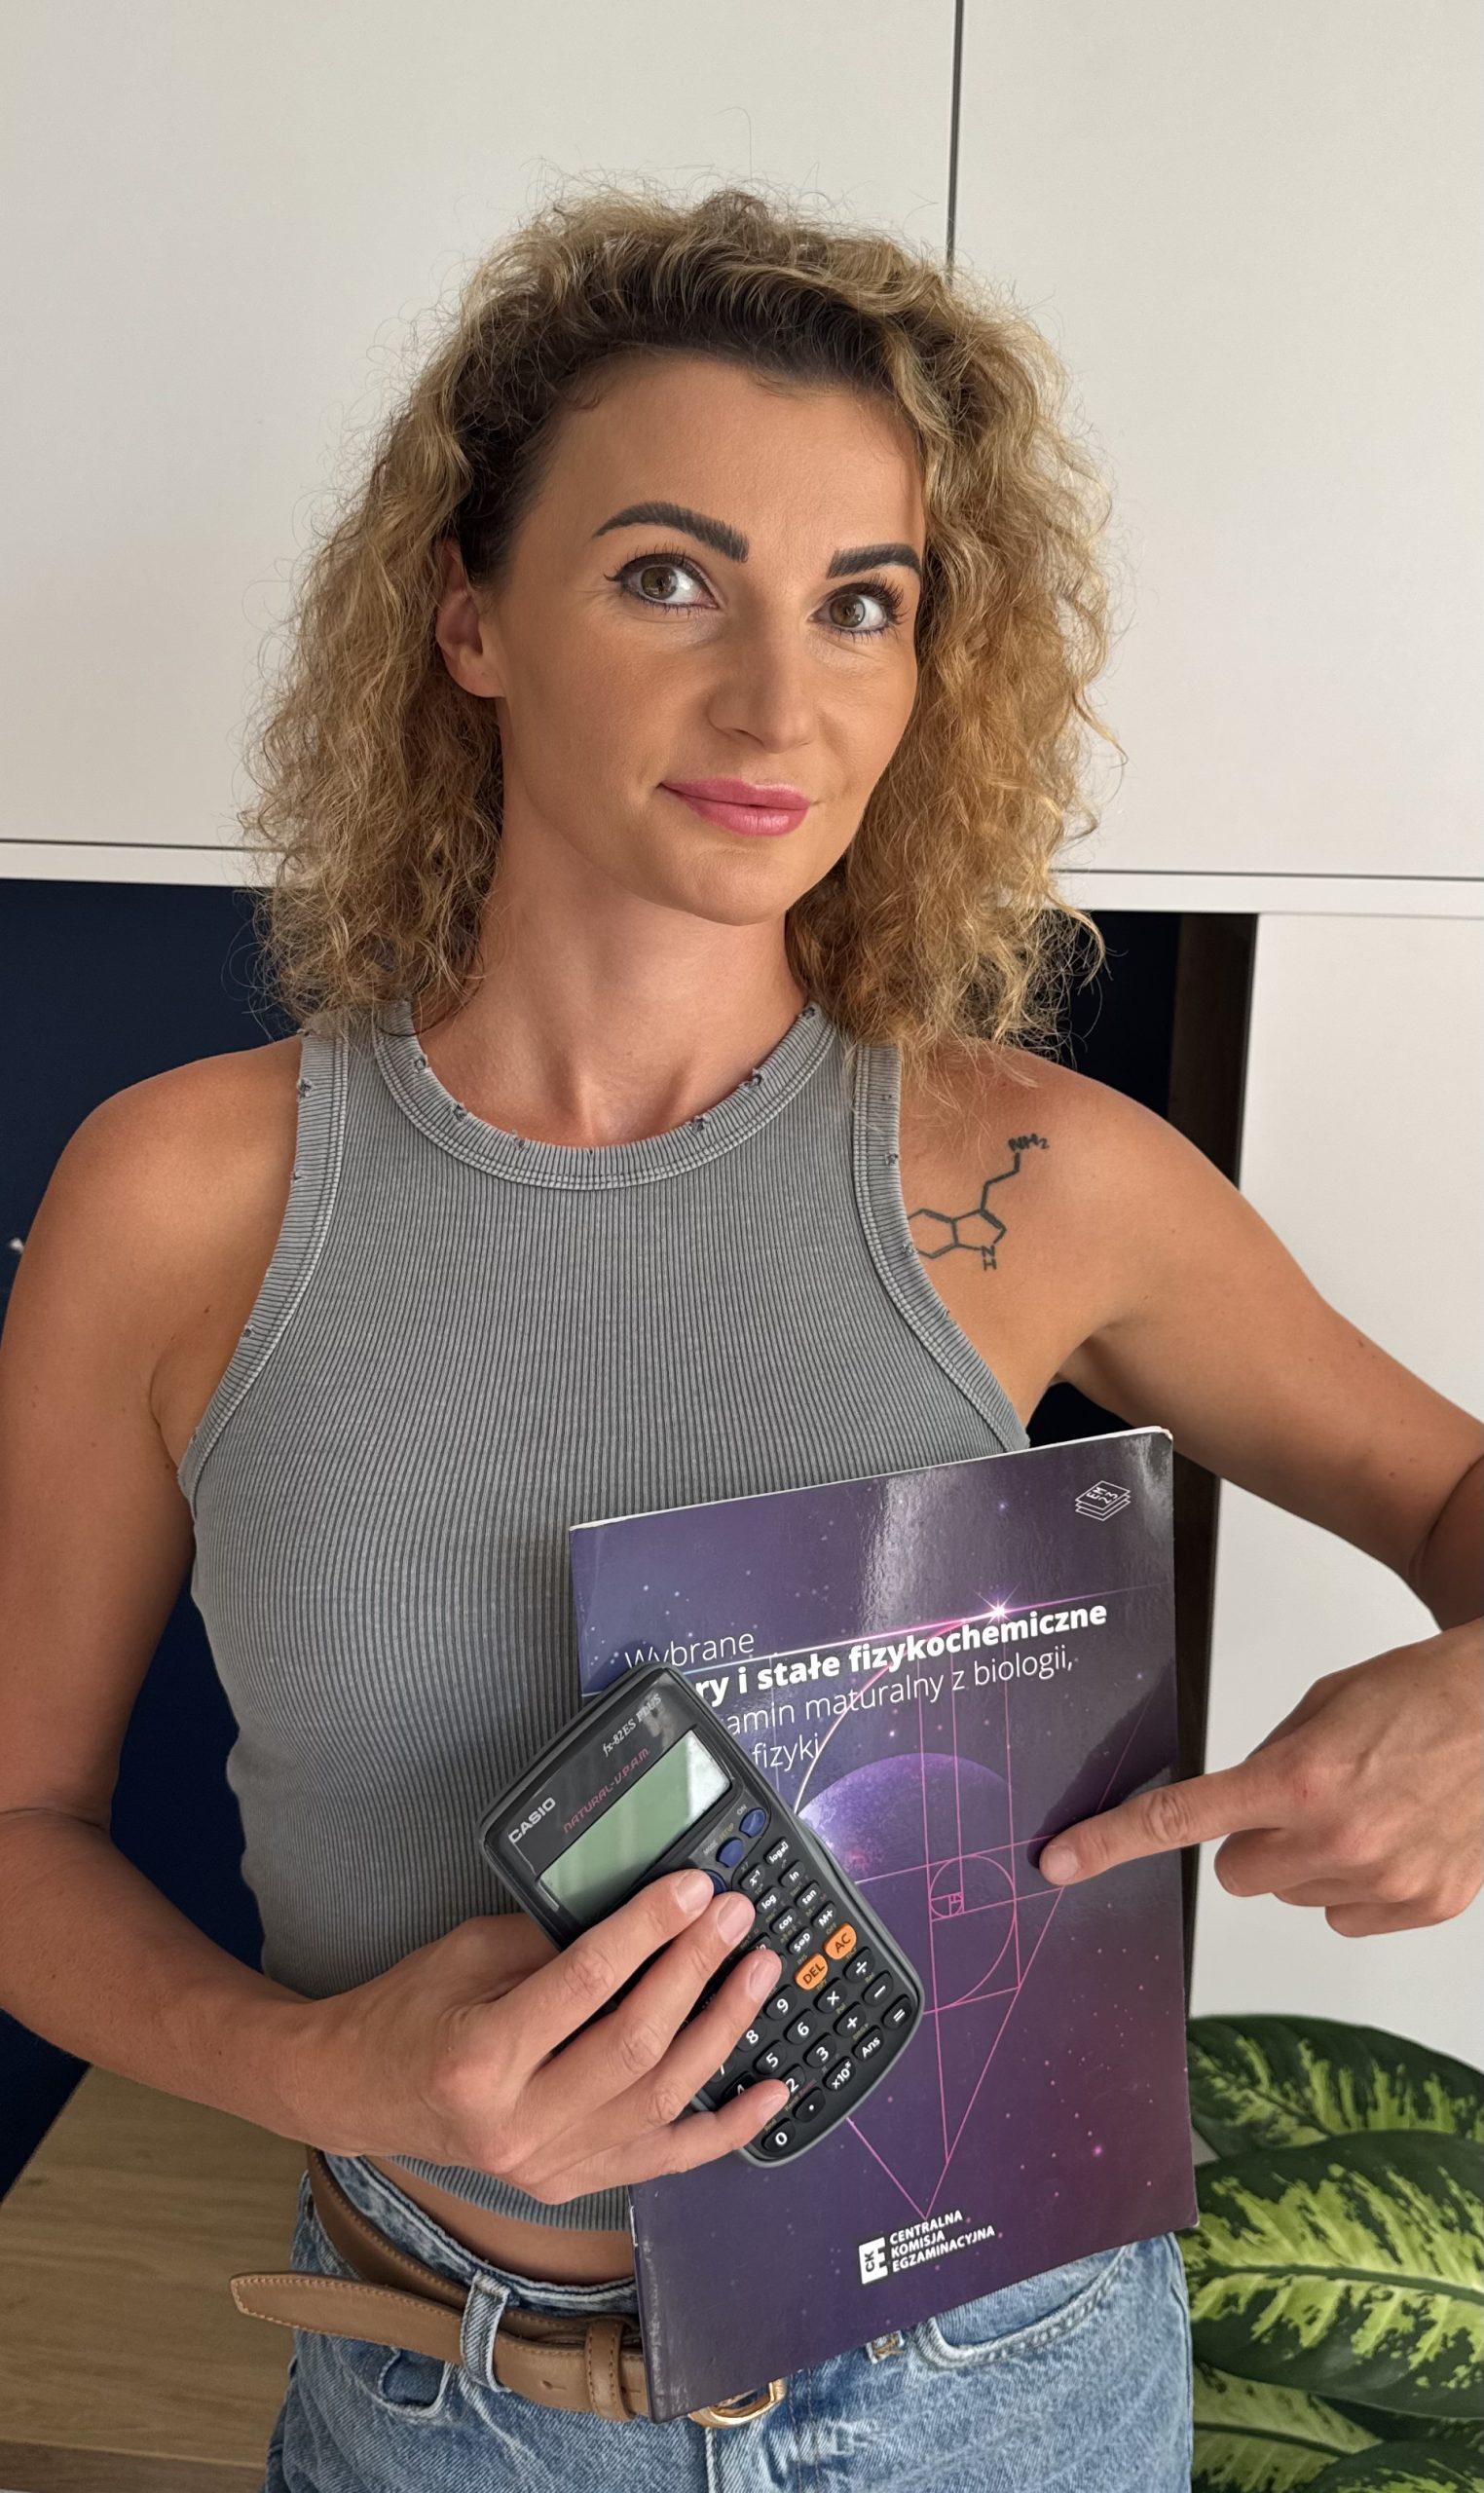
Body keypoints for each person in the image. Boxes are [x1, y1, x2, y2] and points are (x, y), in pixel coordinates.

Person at [0, 179, 1479, 2492]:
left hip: (1009, 2385)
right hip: (451, 2397)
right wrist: (324, 2067)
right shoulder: (186, 1192)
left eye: (864, 602)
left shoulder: (1037, 1172)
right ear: (469, 614)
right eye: (669, 576)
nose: (783, 700)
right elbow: (15, 1826)